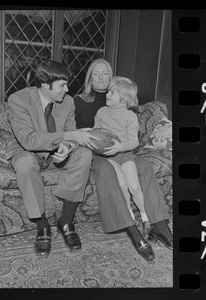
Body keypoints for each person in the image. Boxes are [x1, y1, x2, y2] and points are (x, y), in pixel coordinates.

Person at [74, 58, 173, 262]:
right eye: (96, 73)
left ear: (112, 79)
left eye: (105, 73)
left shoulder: (123, 101)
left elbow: (131, 137)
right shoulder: (78, 101)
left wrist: (121, 146)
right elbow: (73, 129)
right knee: (109, 173)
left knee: (144, 166)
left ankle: (159, 225)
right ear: (89, 78)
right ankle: (131, 229)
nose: (101, 77)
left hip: (122, 150)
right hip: (96, 151)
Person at [6, 60, 100, 258]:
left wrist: (67, 147)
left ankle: (65, 221)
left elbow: (71, 133)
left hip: (55, 153)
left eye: (67, 85)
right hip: (27, 151)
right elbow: (28, 139)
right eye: (62, 86)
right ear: (45, 84)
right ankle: (42, 226)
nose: (66, 90)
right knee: (24, 162)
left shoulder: (68, 102)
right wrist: (67, 137)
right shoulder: (18, 99)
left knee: (84, 154)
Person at [94, 76, 150, 231]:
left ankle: (145, 217)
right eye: (108, 91)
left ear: (124, 99)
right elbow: (96, 132)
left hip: (124, 154)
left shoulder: (130, 116)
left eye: (112, 93)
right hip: (108, 156)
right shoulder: (101, 112)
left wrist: (120, 147)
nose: (107, 94)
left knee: (133, 186)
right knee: (122, 184)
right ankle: (130, 217)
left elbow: (134, 141)